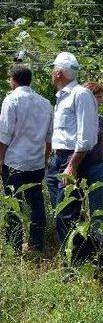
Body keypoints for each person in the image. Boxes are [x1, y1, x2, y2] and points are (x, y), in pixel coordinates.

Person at [46, 51, 99, 264]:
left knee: (66, 215)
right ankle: (83, 257)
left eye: (53, 70)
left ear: (58, 73)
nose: (51, 73)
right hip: (58, 159)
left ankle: (75, 263)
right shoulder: (63, 96)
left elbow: (86, 136)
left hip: (72, 159)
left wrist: (72, 166)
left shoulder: (80, 94)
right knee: (65, 213)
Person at [0, 65, 53, 253]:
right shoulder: (45, 103)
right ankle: (36, 244)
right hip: (36, 163)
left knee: (14, 204)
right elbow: (49, 138)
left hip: (14, 162)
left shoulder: (11, 100)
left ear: (13, 80)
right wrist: (44, 160)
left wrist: (0, 160)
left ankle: (14, 246)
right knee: (36, 204)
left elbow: (4, 135)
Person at [82, 82, 103, 247]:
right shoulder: (76, 117)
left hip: (98, 167)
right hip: (79, 168)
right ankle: (80, 244)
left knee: (97, 209)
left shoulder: (100, 120)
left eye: (102, 96)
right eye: (98, 96)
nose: (101, 100)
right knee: (76, 208)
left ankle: (98, 244)